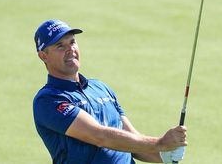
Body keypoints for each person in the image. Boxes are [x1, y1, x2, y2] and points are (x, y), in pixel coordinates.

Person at [33, 19, 187, 164]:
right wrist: (159, 143)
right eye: (60, 45)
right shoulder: (49, 100)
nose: (70, 49)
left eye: (72, 42)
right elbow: (99, 136)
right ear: (43, 56)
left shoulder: (100, 87)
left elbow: (132, 141)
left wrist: (165, 154)